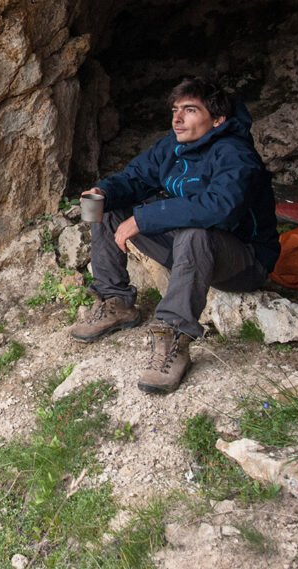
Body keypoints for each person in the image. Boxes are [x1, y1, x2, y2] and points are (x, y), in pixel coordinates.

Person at [67, 77, 280, 394]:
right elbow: (135, 178)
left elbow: (220, 208)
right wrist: (105, 192)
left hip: (242, 261)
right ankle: (115, 302)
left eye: (190, 110)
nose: (177, 119)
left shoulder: (235, 155)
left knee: (197, 233)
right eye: (176, 110)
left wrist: (145, 218)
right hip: (186, 251)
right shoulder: (174, 145)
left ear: (218, 119)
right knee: (109, 207)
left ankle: (173, 338)